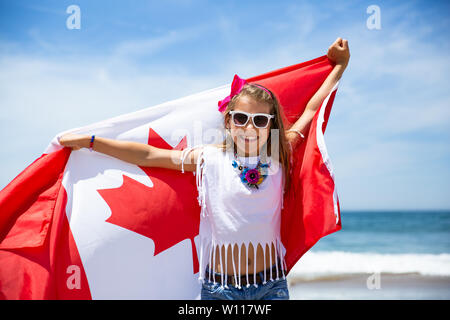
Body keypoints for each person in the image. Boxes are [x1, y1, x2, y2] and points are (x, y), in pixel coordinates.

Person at [59, 37, 350, 300]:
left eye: (260, 121)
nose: (250, 128)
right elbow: (148, 154)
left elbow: (311, 110)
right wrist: (91, 141)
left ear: (271, 126)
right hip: (220, 288)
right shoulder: (208, 159)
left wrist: (338, 67)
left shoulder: (279, 155)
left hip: (271, 286)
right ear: (228, 122)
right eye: (241, 119)